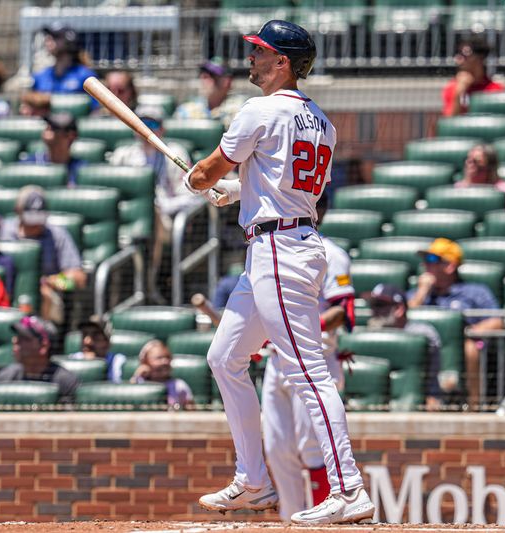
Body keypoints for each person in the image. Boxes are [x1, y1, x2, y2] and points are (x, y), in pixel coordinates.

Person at [182, 20, 374, 524]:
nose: (252, 59)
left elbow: (206, 172)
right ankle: (253, 480)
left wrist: (198, 179)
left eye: (261, 53)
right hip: (287, 240)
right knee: (224, 358)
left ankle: (349, 488)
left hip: (279, 251)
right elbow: (283, 184)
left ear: (283, 62)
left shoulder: (260, 109)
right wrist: (233, 193)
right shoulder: (322, 121)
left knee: (307, 371)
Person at [260, 191, 357, 521]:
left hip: (315, 358)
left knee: (312, 448)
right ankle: (291, 520)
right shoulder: (276, 250)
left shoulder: (332, 253)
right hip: (277, 362)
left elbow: (341, 310)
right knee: (277, 449)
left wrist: (297, 328)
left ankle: (327, 522)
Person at [109, 104, 195, 302]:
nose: (146, 129)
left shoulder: (175, 153)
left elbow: (191, 196)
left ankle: (149, 287)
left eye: (151, 124)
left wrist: (162, 205)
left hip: (167, 220)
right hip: (128, 219)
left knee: (153, 216)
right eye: (141, 124)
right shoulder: (123, 155)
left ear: (162, 129)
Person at [407, 238, 503, 409]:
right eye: (425, 260)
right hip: (427, 347)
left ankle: (474, 406)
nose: (426, 265)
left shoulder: (474, 291)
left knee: (470, 349)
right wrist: (422, 292)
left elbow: (497, 321)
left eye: (432, 260)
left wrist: (464, 333)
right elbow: (404, 318)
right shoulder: (419, 294)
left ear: (450, 265)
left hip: (459, 349)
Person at [0, 186, 86, 324]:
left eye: (40, 216)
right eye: (30, 218)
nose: (36, 224)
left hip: (45, 297)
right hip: (8, 291)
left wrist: (51, 282)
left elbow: (78, 279)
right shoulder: (3, 231)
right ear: (18, 211)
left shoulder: (57, 235)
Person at [364, 283, 446, 410]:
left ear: (399, 309)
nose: (374, 311)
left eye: (380, 305)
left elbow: (432, 373)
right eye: (372, 305)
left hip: (418, 400)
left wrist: (432, 395)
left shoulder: (422, 333)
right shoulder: (368, 335)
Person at [0, 315, 80, 403]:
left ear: (43, 346)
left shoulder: (65, 382)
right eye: (17, 337)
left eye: (24, 338)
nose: (15, 341)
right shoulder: (5, 377)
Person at [32, 23, 97, 106]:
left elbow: (95, 110)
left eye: (55, 37)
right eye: (48, 37)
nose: (48, 41)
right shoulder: (41, 76)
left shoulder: (86, 76)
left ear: (69, 42)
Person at [442, 36, 505, 117]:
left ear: (480, 57)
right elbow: (449, 123)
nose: (459, 59)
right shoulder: (453, 87)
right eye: (458, 54)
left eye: (465, 54)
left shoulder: (494, 89)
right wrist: (458, 94)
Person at [174, 58, 245, 129]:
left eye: (211, 75)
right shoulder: (187, 111)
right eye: (202, 73)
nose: (203, 77)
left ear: (227, 82)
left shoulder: (241, 111)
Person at [23, 112, 85, 186]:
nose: (48, 128)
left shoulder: (81, 169)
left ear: (71, 136)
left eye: (54, 127)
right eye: (48, 125)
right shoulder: (30, 164)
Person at [130, 339, 194, 410]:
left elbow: (191, 413)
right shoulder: (139, 382)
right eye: (159, 358)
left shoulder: (179, 385)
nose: (165, 361)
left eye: (168, 357)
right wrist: (137, 375)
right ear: (145, 362)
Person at [456, 143, 505, 212]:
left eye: (476, 161)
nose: (469, 165)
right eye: (468, 160)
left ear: (490, 166)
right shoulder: (458, 188)